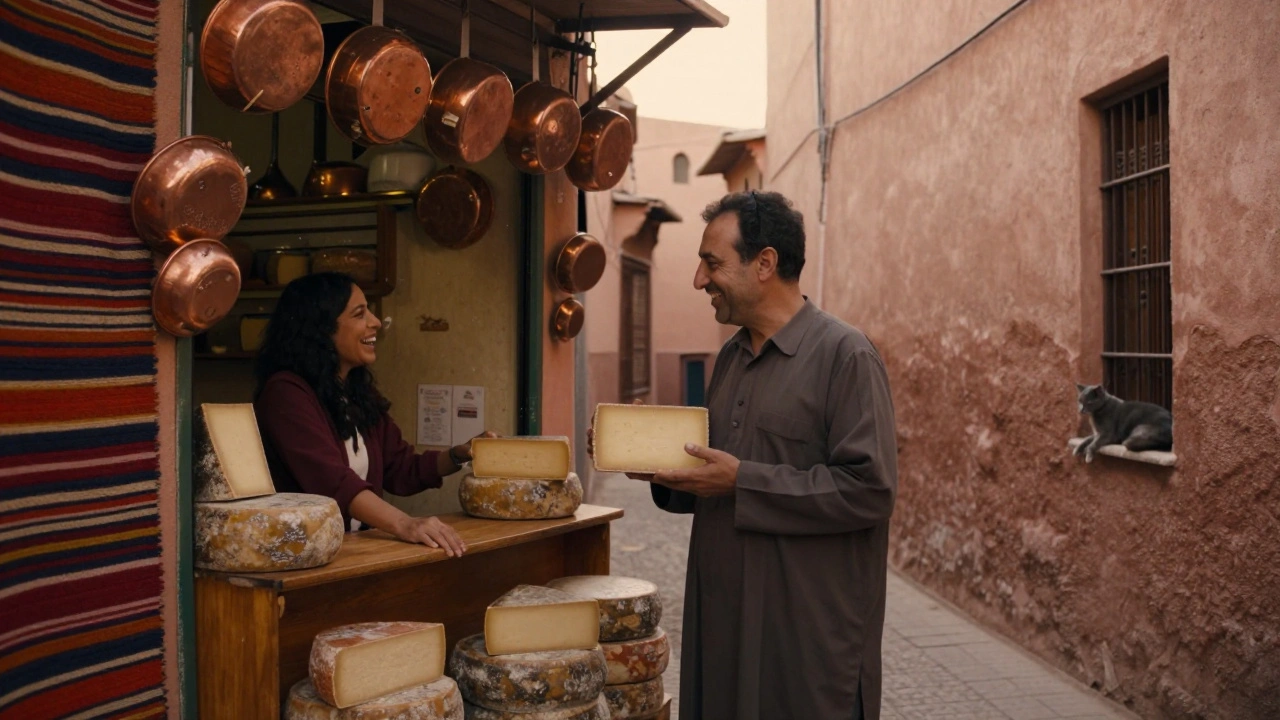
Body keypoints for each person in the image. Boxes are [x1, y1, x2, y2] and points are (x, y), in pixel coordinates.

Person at [591, 190, 898, 719]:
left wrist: (744, 481)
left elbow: (869, 491)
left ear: (765, 264)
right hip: (725, 630)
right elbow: (723, 475)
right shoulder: (732, 356)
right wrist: (663, 469)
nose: (698, 280)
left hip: (804, 643)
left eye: (712, 263)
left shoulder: (846, 357)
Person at [254, 271, 492, 557]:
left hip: (351, 555)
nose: (376, 322)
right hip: (302, 559)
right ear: (321, 328)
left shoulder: (356, 392)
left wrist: (460, 454)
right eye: (359, 314)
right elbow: (333, 482)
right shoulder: (285, 393)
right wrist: (405, 524)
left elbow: (401, 469)